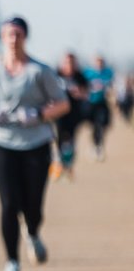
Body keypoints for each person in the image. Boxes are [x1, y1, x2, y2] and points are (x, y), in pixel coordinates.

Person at [0, 17, 70, 271]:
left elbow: (62, 104)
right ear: (2, 38)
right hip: (3, 144)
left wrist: (37, 114)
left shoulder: (39, 71)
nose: (13, 39)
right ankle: (12, 261)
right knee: (9, 204)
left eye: (18, 34)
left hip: (36, 143)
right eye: (8, 35)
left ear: (25, 37)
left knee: (33, 204)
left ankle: (32, 232)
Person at [50, 52, 89, 180]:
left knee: (71, 140)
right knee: (59, 138)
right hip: (59, 114)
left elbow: (87, 94)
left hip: (75, 114)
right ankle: (59, 164)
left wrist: (79, 93)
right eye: (67, 62)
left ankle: (69, 164)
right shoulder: (56, 75)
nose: (69, 65)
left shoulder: (80, 77)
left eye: (72, 62)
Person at [83, 55, 114, 161]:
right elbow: (82, 85)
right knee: (95, 126)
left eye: (101, 61)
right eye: (98, 61)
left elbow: (111, 86)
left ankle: (99, 144)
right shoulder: (88, 73)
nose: (99, 63)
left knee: (103, 124)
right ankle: (96, 146)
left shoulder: (108, 72)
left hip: (103, 103)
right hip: (91, 103)